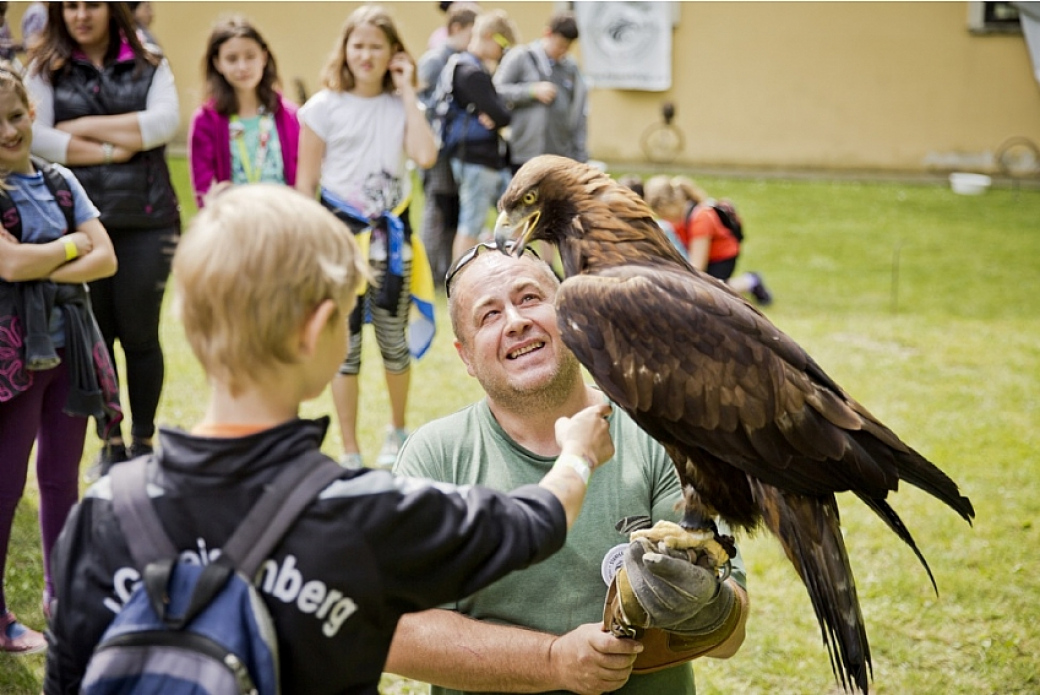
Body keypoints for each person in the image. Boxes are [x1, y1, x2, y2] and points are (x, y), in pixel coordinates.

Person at [42, 184, 616, 694]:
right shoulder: (363, 514)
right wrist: (576, 455)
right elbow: (535, 522)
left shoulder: (101, 513)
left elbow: (66, 678)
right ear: (317, 332)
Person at [386, 244, 750, 695]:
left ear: (574, 316)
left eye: (529, 298)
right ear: (465, 357)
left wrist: (705, 607)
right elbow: (396, 633)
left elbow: (730, 637)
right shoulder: (436, 457)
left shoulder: (660, 434)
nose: (516, 321)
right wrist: (551, 660)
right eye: (489, 315)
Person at [26, 1, 181, 475]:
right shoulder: (43, 69)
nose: (81, 15)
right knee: (96, 335)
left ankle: (144, 439)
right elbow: (35, 137)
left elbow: (161, 126)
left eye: (92, 4)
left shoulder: (151, 61)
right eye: (69, 6)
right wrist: (123, 146)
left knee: (140, 334)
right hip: (78, 224)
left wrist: (84, 132)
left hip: (148, 220)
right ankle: (109, 440)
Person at [0, 62, 118, 654]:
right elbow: (9, 265)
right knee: (4, 481)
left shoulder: (60, 180)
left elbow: (109, 258)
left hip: (70, 350)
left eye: (15, 116)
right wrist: (73, 247)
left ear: (32, 115)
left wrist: (45, 254)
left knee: (60, 478)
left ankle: (62, 595)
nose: (7, 131)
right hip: (16, 358)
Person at [296, 4, 437, 469]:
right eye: (358, 45)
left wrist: (408, 91)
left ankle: (397, 430)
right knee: (345, 347)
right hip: (339, 243)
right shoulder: (322, 108)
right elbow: (305, 184)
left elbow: (425, 155)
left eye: (377, 46)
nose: (366, 55)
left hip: (391, 244)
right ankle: (351, 448)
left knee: (393, 341)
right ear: (344, 50)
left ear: (395, 53)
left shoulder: (402, 106)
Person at [189, 15, 299, 208]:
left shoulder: (289, 115)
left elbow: (302, 180)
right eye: (232, 59)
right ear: (217, 63)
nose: (242, 67)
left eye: (250, 56)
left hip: (285, 221)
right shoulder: (205, 120)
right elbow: (204, 190)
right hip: (235, 224)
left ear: (263, 57)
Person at [443, 9, 516, 262]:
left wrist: (495, 114)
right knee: (471, 222)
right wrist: (496, 115)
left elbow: (498, 113)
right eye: (502, 44)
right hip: (474, 158)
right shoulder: (469, 71)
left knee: (511, 214)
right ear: (488, 35)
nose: (503, 51)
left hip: (486, 158)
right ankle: (459, 277)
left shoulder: (473, 68)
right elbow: (503, 115)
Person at [644, 175, 773, 307]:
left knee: (711, 293)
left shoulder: (701, 218)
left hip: (722, 258)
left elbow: (697, 266)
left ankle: (751, 281)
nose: (664, 219)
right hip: (708, 256)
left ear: (671, 205)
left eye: (663, 214)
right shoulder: (681, 216)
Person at [416, 3, 476, 288]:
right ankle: (428, 272)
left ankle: (446, 271)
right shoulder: (435, 59)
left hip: (455, 150)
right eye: (471, 33)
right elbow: (419, 104)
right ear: (455, 29)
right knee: (436, 208)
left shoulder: (465, 58)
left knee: (452, 209)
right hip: (436, 152)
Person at [493, 11, 588, 174]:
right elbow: (496, 91)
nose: (562, 51)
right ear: (548, 34)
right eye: (559, 45)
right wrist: (531, 91)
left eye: (567, 48)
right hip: (523, 153)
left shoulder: (571, 68)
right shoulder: (521, 56)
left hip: (557, 156)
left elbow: (578, 112)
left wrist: (579, 155)